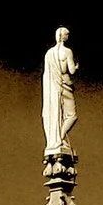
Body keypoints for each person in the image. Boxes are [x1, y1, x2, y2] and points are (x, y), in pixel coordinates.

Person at [41, 26, 78, 155]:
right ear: (63, 37)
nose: (68, 37)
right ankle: (60, 138)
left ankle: (56, 139)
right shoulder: (67, 51)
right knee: (72, 115)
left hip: (54, 87)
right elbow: (71, 70)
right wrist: (77, 66)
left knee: (58, 113)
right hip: (65, 84)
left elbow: (46, 74)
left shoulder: (49, 53)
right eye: (67, 35)